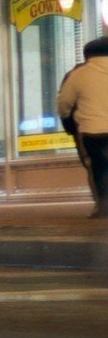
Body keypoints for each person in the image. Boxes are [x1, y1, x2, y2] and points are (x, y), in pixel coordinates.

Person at [56, 36, 108, 217]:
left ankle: (102, 206)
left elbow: (64, 102)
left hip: (93, 131)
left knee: (97, 168)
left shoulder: (79, 74)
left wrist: (67, 120)